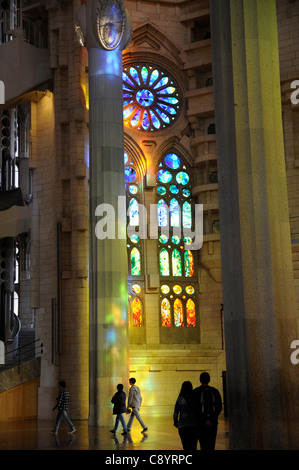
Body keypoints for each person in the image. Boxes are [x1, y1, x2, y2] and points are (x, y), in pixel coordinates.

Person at [193, 372, 222, 451]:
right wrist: (211, 420)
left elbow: (194, 409)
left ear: (200, 380)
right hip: (213, 423)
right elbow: (219, 407)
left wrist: (203, 421)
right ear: (209, 380)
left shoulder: (195, 392)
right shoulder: (215, 391)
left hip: (200, 424)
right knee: (211, 445)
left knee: (203, 445)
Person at [173, 381, 197, 451]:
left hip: (183, 426)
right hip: (194, 425)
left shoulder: (180, 399)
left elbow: (175, 412)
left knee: (186, 446)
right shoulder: (194, 398)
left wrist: (175, 422)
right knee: (193, 446)